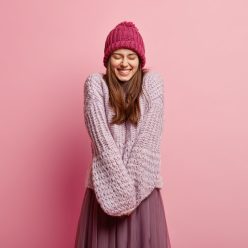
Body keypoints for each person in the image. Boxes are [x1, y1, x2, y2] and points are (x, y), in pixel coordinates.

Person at [74, 21, 171, 248]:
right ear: (108, 59)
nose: (124, 63)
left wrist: (129, 195)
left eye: (131, 56)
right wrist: (118, 191)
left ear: (140, 60)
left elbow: (148, 143)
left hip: (144, 188)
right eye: (118, 56)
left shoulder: (152, 84)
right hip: (105, 189)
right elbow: (103, 145)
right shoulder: (96, 85)